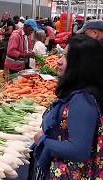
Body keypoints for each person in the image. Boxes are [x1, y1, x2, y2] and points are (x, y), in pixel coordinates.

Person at [32, 35, 103, 179]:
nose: (58, 61)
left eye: (65, 57)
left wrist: (43, 140)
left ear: (80, 64)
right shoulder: (78, 93)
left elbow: (79, 150)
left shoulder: (82, 100)